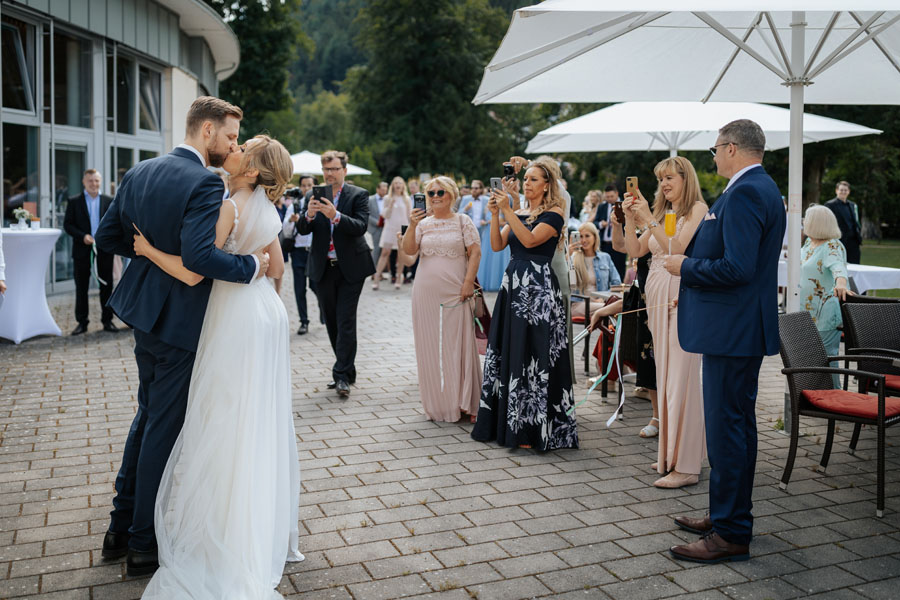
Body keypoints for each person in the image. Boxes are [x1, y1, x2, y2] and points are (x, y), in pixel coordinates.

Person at [94, 97, 270, 576]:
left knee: (146, 416)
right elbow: (199, 260)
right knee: (161, 430)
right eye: (231, 136)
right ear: (207, 130)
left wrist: (150, 253)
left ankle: (117, 527)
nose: (234, 145)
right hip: (178, 323)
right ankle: (142, 544)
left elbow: (110, 239)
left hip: (143, 315)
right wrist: (253, 265)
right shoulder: (202, 183)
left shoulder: (139, 172)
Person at [130, 135, 303, 597]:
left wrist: (146, 250)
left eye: (245, 148)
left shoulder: (230, 203)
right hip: (266, 313)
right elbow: (277, 268)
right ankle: (258, 521)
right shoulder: (269, 208)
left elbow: (193, 269)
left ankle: (225, 527)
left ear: (250, 170)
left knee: (225, 415)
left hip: (234, 316)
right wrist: (263, 292)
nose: (236, 149)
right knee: (258, 415)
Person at [666, 119, 785, 564]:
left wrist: (685, 269)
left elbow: (738, 268)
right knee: (734, 428)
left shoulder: (749, 191)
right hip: (734, 330)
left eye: (715, 148)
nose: (712, 156)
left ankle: (731, 533)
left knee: (727, 431)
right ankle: (726, 517)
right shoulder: (755, 187)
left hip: (733, 333)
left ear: (732, 148)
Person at [471, 157, 577, 451]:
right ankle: (508, 424)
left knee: (534, 354)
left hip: (538, 290)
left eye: (533, 180)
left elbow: (530, 241)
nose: (526, 184)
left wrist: (507, 209)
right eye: (526, 178)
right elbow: (496, 245)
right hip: (513, 286)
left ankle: (532, 429)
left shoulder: (555, 214)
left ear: (546, 186)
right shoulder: (519, 211)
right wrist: (496, 214)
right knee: (512, 350)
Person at [623, 156, 708, 489]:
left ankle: (687, 463)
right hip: (655, 303)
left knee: (681, 379)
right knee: (665, 376)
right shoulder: (661, 214)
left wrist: (647, 217)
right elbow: (635, 249)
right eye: (660, 179)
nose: (664, 185)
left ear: (686, 179)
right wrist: (631, 220)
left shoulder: (697, 209)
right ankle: (670, 455)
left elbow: (677, 248)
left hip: (678, 297)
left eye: (670, 178)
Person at [402, 176, 482, 422]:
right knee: (428, 345)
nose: (435, 197)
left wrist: (468, 282)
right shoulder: (423, 224)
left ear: (452, 195)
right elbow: (408, 251)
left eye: (440, 193)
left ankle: (466, 402)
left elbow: (475, 251)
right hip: (424, 291)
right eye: (431, 193)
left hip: (456, 289)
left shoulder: (462, 220)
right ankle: (438, 404)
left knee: (458, 343)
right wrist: (412, 225)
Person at [298, 150, 375, 398]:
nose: (329, 174)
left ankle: (340, 375)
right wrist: (309, 214)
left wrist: (336, 216)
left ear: (344, 169)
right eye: (326, 169)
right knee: (331, 321)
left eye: (334, 169)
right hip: (323, 267)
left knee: (345, 320)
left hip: (351, 267)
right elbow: (301, 228)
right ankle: (347, 370)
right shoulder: (313, 194)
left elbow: (361, 226)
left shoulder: (358, 195)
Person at [606, 211, 658, 438]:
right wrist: (617, 224)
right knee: (648, 359)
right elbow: (622, 247)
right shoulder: (649, 228)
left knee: (663, 361)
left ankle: (669, 415)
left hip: (664, 297)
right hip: (645, 297)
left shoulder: (667, 221)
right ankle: (656, 416)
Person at [801, 205, 850, 388]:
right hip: (807, 310)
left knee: (826, 357)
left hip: (824, 312)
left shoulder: (832, 245)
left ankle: (834, 396)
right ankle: (813, 396)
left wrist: (841, 283)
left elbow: (838, 267)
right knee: (808, 357)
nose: (804, 222)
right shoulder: (809, 243)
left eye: (806, 218)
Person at [64, 169, 116, 335]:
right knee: (81, 287)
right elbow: (68, 225)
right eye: (90, 181)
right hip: (81, 249)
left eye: (96, 181)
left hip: (104, 249)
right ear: (84, 182)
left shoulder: (110, 201)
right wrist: (83, 236)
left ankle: (108, 321)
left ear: (100, 181)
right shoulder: (74, 201)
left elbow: (116, 223)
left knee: (106, 286)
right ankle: (82, 322)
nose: (94, 184)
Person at [283, 175, 319, 334]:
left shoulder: (319, 204)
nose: (306, 188)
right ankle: (303, 321)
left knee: (315, 285)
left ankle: (323, 308)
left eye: (309, 185)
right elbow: (286, 231)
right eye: (303, 185)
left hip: (314, 251)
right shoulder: (295, 205)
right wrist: (291, 221)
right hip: (298, 251)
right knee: (299, 288)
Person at [570, 221, 621, 319]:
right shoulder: (573, 259)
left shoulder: (605, 257)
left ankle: (607, 334)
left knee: (614, 308)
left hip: (602, 303)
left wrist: (603, 298)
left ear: (595, 237)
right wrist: (568, 256)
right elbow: (566, 284)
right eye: (580, 236)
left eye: (587, 236)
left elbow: (617, 284)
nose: (583, 240)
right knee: (615, 309)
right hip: (580, 304)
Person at [373, 177, 410, 290]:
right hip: (390, 228)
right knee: (385, 253)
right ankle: (376, 278)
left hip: (402, 229)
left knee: (401, 255)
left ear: (403, 185)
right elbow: (384, 215)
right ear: (392, 186)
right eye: (395, 183)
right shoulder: (387, 198)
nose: (398, 185)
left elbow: (409, 216)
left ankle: (399, 278)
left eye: (400, 183)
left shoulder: (406, 199)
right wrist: (390, 205)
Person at [592, 184, 628, 280]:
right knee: (604, 270)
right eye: (607, 197)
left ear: (617, 194)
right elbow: (594, 222)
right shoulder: (602, 207)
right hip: (605, 244)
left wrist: (618, 225)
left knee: (619, 269)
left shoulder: (624, 205)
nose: (610, 199)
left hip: (619, 244)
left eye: (611, 196)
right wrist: (600, 224)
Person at [824, 181, 862, 265]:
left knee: (855, 265)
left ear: (848, 191)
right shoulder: (830, 205)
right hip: (839, 240)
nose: (843, 192)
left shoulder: (852, 205)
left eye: (845, 190)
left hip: (853, 241)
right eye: (841, 190)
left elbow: (856, 222)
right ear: (836, 191)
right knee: (839, 265)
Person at [368, 181, 389, 268]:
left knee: (384, 251)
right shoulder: (370, 199)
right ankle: (373, 270)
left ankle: (379, 272)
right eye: (382, 189)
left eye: (385, 190)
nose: (384, 191)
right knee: (376, 249)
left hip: (386, 227)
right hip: (375, 228)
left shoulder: (388, 200)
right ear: (377, 189)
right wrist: (376, 222)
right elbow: (366, 213)